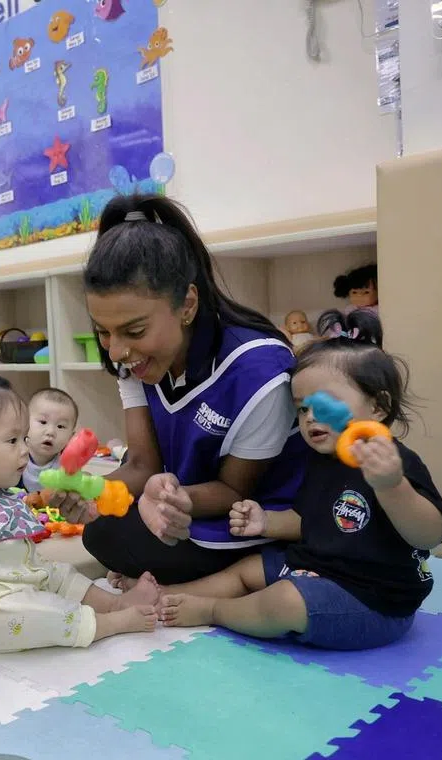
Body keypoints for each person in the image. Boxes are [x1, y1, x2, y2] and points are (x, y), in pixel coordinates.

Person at [157, 309, 442, 650]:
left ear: (379, 407)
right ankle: (164, 595)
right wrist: (264, 522)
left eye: (325, 405)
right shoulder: (322, 461)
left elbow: (430, 534)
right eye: (302, 408)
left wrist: (392, 487)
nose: (311, 418)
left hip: (373, 602)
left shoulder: (396, 464)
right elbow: (309, 520)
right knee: (249, 568)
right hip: (318, 571)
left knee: (285, 600)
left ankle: (213, 610)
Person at [58, 194, 309, 587]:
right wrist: (92, 492)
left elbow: (233, 490)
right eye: (104, 331)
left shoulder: (259, 372)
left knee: (120, 536)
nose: (118, 349)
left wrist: (177, 500)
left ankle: (255, 574)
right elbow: (143, 465)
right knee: (101, 527)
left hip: (256, 515)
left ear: (187, 304)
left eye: (134, 331)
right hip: (183, 503)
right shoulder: (132, 358)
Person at [0, 339, 158, 685]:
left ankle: (114, 602)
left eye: (22, 438)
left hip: (21, 577)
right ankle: (112, 623)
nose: (24, 450)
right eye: (12, 441)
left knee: (60, 572)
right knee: (43, 614)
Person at [20, 388, 78, 492]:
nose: (50, 432)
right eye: (43, 422)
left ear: (71, 437)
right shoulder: (16, 455)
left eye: (60, 426)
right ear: (25, 423)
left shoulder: (67, 465)